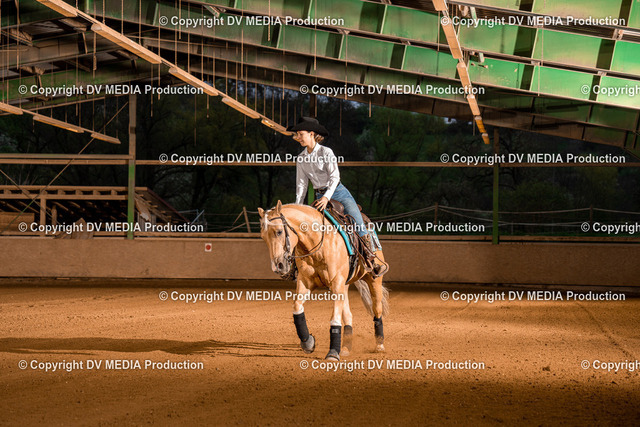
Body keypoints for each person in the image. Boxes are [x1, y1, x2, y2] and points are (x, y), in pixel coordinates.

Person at [289, 116, 382, 274]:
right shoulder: (301, 159)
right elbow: (302, 185)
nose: (298, 137)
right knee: (308, 228)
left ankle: (370, 258)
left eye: (301, 134)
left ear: (312, 134)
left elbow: (335, 177)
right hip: (319, 197)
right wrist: (298, 206)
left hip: (339, 193)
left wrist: (327, 197)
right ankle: (299, 265)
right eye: (297, 134)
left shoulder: (326, 152)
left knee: (357, 221)